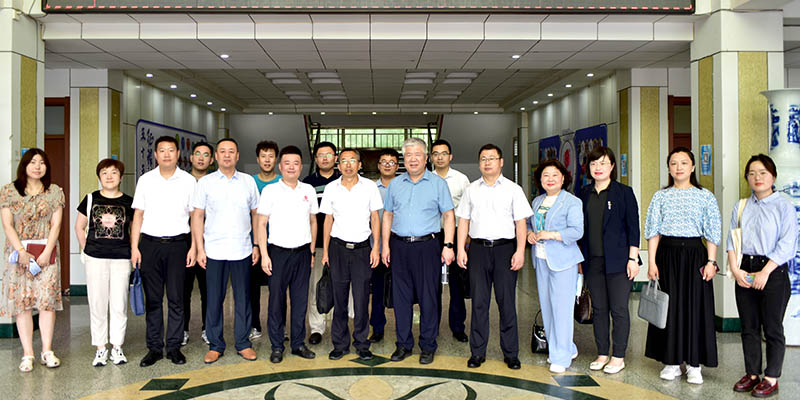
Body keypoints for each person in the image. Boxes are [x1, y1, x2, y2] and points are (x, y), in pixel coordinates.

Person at [644, 146, 721, 385]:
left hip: (696, 256)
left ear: (693, 167)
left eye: (684, 163)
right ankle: (672, 362)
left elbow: (712, 232)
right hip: (667, 255)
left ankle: (694, 364)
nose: (679, 167)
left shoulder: (705, 196)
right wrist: (652, 262)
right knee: (669, 308)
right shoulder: (660, 196)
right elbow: (653, 231)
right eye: (674, 163)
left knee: (695, 307)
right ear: (668, 168)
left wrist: (711, 262)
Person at [456, 144, 532, 370]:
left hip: (505, 250)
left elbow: (521, 223)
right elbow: (463, 221)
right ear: (479, 163)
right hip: (478, 250)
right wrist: (461, 249)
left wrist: (520, 251)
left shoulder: (513, 189)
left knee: (506, 302)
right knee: (479, 303)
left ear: (501, 162)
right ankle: (477, 352)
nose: (487, 162)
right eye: (483, 158)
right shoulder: (471, 189)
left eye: (491, 158)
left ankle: (511, 353)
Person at [727, 154, 797, 398]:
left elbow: (788, 244)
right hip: (744, 268)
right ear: (747, 178)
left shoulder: (784, 207)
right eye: (752, 173)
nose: (757, 177)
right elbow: (732, 240)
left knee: (773, 327)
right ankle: (752, 373)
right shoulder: (741, 206)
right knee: (749, 326)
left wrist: (765, 271)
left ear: (773, 176)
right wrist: (736, 270)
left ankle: (771, 378)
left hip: (773, 270)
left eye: (763, 173)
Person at [382, 137, 455, 365]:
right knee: (401, 297)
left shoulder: (437, 184)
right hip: (399, 246)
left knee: (428, 297)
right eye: (408, 155)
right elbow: (388, 215)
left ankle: (428, 345)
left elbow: (449, 215)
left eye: (417, 155)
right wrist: (385, 245)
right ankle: (403, 344)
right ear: (404, 159)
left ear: (425, 158)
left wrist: (448, 245)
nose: (413, 159)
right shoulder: (395, 184)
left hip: (428, 246)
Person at [192, 138, 261, 364]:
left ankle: (243, 343)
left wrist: (256, 244)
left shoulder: (248, 181)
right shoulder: (206, 183)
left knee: (243, 299)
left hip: (242, 249)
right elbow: (197, 216)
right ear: (216, 157)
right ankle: (216, 345)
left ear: (238, 156)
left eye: (231, 151)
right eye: (222, 151)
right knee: (214, 299)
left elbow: (256, 215)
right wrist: (199, 248)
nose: (227, 155)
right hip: (213, 250)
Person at [131, 135, 197, 367]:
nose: (167, 154)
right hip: (150, 245)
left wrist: (194, 247)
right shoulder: (146, 180)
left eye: (171, 150)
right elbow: (138, 216)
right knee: (154, 300)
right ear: (155, 155)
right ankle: (154, 348)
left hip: (179, 245)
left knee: (177, 299)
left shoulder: (189, 181)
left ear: (178, 154)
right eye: (162, 150)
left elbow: (195, 217)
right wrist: (134, 248)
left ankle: (174, 347)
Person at [0, 149, 65, 372]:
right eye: (33, 162)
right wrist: (21, 251)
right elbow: (7, 224)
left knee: (47, 302)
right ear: (24, 165)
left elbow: (56, 224)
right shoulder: (9, 191)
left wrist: (47, 252)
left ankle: (47, 350)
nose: (38, 166)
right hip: (19, 255)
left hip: (47, 253)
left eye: (42, 162)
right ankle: (28, 354)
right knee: (23, 303)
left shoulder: (54, 192)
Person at [577, 147, 640, 374]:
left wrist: (633, 258)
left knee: (619, 309)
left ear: (612, 166)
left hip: (620, 262)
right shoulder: (584, 193)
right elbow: (580, 230)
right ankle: (602, 353)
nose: (598, 168)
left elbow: (634, 228)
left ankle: (618, 356)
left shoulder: (624, 192)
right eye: (594, 164)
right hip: (592, 261)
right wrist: (579, 260)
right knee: (599, 309)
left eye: (603, 163)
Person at [256, 145, 318, 363]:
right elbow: (261, 224)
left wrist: (311, 252)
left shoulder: (308, 190)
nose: (291, 167)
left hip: (302, 253)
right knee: (276, 301)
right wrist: (264, 254)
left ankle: (298, 343)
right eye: (287, 163)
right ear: (280, 166)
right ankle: (276, 346)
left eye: (296, 163)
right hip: (277, 253)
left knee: (300, 301)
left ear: (301, 167)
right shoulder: (270, 191)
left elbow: (313, 221)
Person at [320, 148, 383, 361]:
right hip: (337, 249)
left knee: (361, 298)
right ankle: (339, 344)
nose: (348, 165)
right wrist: (325, 251)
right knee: (339, 299)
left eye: (352, 160)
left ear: (359, 165)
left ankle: (362, 343)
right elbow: (328, 220)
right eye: (344, 161)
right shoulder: (331, 188)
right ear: (338, 165)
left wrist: (376, 247)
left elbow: (375, 218)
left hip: (362, 250)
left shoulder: (370, 187)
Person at [75, 158, 134, 367]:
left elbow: (134, 230)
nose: (109, 176)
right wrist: (87, 248)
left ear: (121, 177)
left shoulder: (129, 202)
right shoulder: (90, 199)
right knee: (97, 303)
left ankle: (117, 346)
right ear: (99, 176)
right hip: (95, 258)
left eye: (114, 172)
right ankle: (100, 348)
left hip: (121, 258)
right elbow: (79, 227)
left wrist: (134, 252)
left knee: (119, 303)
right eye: (105, 173)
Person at [527, 159, 584, 374]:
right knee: (547, 307)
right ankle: (561, 348)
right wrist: (530, 234)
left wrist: (551, 235)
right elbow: (530, 224)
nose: (550, 179)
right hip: (541, 259)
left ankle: (562, 357)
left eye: (554, 175)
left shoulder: (572, 202)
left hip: (564, 261)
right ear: (540, 180)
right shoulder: (537, 201)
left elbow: (577, 231)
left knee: (562, 309)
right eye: (545, 175)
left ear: (563, 178)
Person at [430, 139, 471, 343]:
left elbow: (468, 210)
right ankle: (432, 326)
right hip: (431, 235)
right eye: (436, 154)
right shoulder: (426, 179)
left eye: (444, 153)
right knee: (431, 284)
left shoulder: (461, 179)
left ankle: (458, 327)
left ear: (450, 156)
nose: (440, 157)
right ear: (431, 157)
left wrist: (466, 238)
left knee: (456, 284)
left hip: (455, 234)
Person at [302, 141, 342, 346]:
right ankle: (317, 327)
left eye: (329, 154)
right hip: (317, 244)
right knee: (317, 286)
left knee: (340, 286)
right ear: (315, 159)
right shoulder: (307, 183)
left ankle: (337, 325)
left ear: (336, 158)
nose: (325, 158)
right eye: (321, 155)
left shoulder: (344, 179)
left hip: (341, 242)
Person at [183, 141, 214, 346]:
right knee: (182, 289)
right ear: (191, 157)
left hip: (210, 242)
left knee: (208, 290)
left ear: (212, 160)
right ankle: (182, 329)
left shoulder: (215, 182)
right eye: (198, 154)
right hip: (184, 241)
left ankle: (207, 328)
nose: (201, 158)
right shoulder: (182, 181)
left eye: (206, 155)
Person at [250, 140, 281, 340]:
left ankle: (279, 326)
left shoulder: (283, 182)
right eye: (263, 156)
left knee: (277, 289)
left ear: (276, 159)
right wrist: (255, 244)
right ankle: (254, 325)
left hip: (277, 244)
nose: (267, 160)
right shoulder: (249, 182)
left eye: (271, 156)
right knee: (252, 288)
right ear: (257, 159)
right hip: (253, 245)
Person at [369, 148, 399, 343]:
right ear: (378, 165)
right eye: (384, 162)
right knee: (377, 290)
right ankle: (377, 328)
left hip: (400, 246)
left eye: (392, 162)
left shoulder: (404, 186)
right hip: (377, 247)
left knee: (403, 290)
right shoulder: (371, 188)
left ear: (397, 166)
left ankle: (402, 328)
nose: (388, 165)